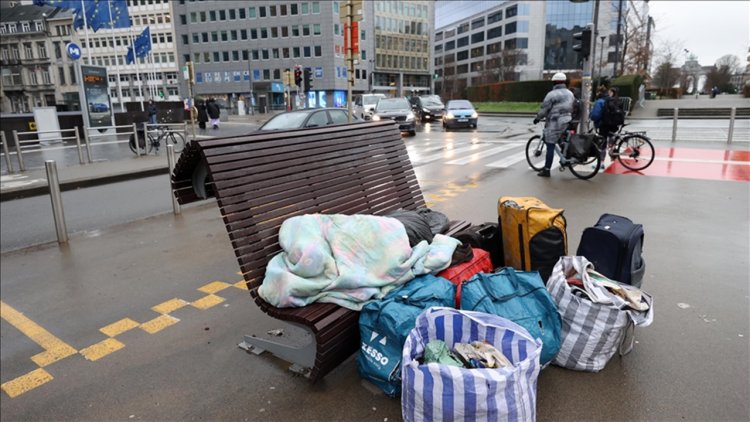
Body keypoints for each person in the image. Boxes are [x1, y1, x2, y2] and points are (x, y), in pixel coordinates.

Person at [532, 72, 575, 178]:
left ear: (555, 82)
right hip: (568, 120)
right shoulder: (570, 93)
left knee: (550, 145)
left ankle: (546, 170)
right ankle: (565, 156)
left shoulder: (552, 94)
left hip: (556, 122)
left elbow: (544, 109)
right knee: (561, 139)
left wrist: (538, 118)